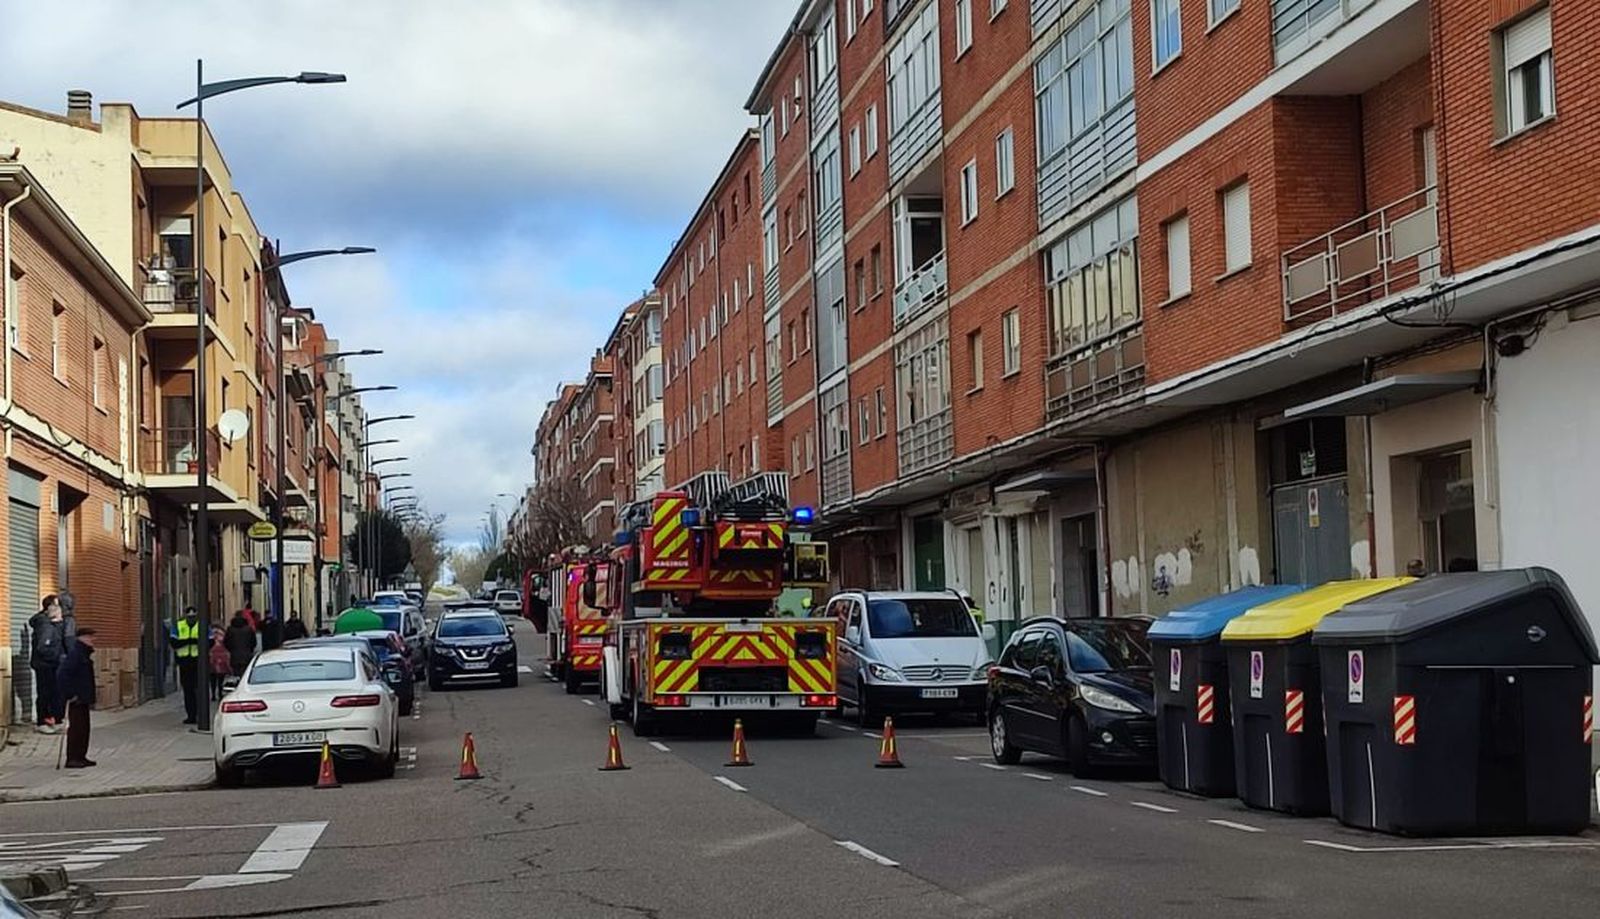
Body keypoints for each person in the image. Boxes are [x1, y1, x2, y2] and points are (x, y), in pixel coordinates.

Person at [57, 627, 98, 768]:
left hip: (83, 698)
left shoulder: (84, 654)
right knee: (76, 729)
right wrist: (70, 694)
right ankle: (72, 758)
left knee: (84, 729)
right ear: (83, 638)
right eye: (91, 637)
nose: (93, 640)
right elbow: (62, 674)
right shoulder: (76, 654)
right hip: (77, 699)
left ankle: (81, 756)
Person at [27, 595, 68, 733]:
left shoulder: (51, 623)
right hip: (45, 665)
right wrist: (57, 658)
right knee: (45, 693)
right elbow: (43, 647)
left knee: (53, 693)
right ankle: (42, 722)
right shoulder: (45, 625)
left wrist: (58, 623)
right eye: (57, 606)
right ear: (49, 608)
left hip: (49, 664)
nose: (60, 609)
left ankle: (53, 720)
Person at [169, 606, 202, 724]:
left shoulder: (202, 624)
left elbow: (210, 641)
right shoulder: (178, 625)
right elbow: (174, 642)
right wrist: (191, 641)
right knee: (188, 691)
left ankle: (199, 714)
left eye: (193, 617)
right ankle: (191, 715)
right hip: (184, 662)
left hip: (199, 662)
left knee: (199, 690)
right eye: (189, 617)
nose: (191, 619)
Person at [208, 627, 230, 700]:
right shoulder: (223, 634)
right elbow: (227, 644)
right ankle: (220, 693)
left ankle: (213, 694)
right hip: (222, 657)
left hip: (212, 657)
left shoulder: (210, 633)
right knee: (221, 678)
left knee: (212, 677)